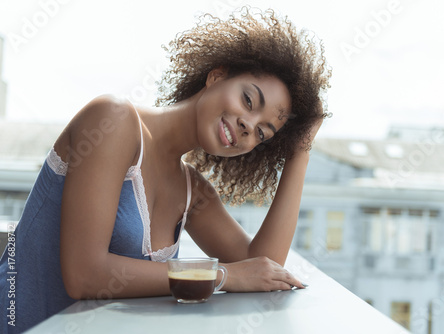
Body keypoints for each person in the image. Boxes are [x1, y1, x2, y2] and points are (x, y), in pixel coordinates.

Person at [0, 7, 331, 333]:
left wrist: (299, 151)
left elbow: (263, 266)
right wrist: (224, 276)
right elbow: (84, 275)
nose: (249, 125)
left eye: (262, 133)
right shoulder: (112, 120)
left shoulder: (193, 192)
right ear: (217, 76)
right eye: (248, 100)